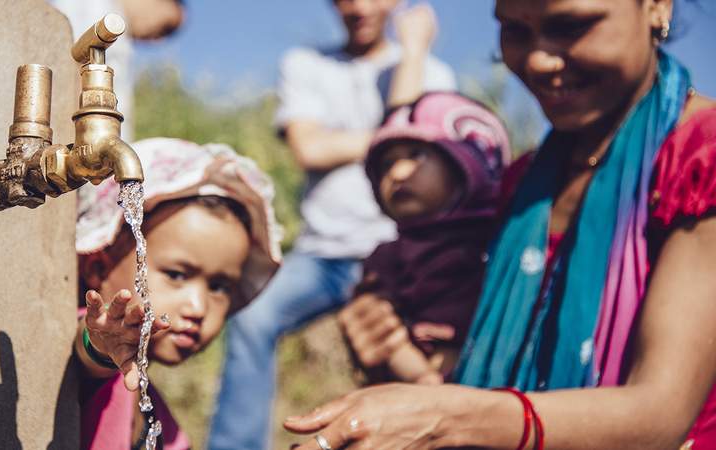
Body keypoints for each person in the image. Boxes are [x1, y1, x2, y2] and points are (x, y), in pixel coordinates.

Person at [285, 0, 716, 449]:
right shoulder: (521, 185)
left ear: (655, 6)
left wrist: (446, 417)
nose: (538, 59)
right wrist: (385, 340)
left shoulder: (700, 157)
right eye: (515, 31)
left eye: (570, 25)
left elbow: (660, 415)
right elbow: (479, 368)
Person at [207, 2, 457, 449]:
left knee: (407, 356)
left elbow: (411, 143)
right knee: (251, 315)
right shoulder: (305, 64)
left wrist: (413, 52)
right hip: (321, 253)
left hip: (398, 253)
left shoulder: (431, 72)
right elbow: (310, 149)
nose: (358, 6)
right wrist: (387, 138)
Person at [73, 138, 282, 450]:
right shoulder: (95, 346)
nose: (198, 308)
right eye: (176, 275)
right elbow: (88, 350)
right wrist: (102, 347)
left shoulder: (162, 427)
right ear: (99, 270)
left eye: (219, 287)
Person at [339, 91, 511, 386]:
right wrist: (423, 378)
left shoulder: (507, 242)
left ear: (469, 163)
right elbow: (384, 334)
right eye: (386, 165)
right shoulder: (390, 256)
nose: (398, 173)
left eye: (416, 155)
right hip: (423, 383)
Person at [49, 0, 186, 142]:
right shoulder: (94, 8)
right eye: (166, 28)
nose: (159, 41)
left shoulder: (119, 31)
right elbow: (66, 65)